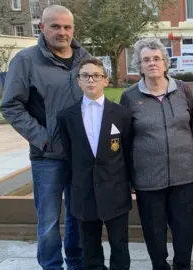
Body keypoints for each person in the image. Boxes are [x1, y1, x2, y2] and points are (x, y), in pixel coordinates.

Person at [0, 5, 89, 269]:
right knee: (49, 220)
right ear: (42, 27)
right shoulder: (26, 61)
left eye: (67, 27)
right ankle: (51, 265)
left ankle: (76, 262)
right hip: (47, 156)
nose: (62, 32)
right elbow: (11, 106)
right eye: (55, 26)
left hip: (80, 155)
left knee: (78, 216)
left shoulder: (85, 59)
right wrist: (43, 138)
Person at [119, 38, 193, 270]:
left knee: (184, 228)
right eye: (146, 60)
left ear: (165, 63)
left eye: (156, 58)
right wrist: (129, 176)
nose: (152, 63)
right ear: (139, 66)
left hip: (184, 175)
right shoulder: (130, 97)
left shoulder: (182, 89)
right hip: (148, 179)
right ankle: (159, 266)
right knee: (154, 230)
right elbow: (125, 139)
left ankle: (182, 265)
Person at [57, 58, 133, 270]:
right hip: (84, 193)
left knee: (120, 245)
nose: (91, 80)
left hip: (115, 191)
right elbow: (69, 155)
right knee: (90, 248)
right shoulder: (66, 117)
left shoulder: (122, 114)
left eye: (96, 76)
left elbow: (126, 152)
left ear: (105, 80)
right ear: (78, 81)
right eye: (85, 76)